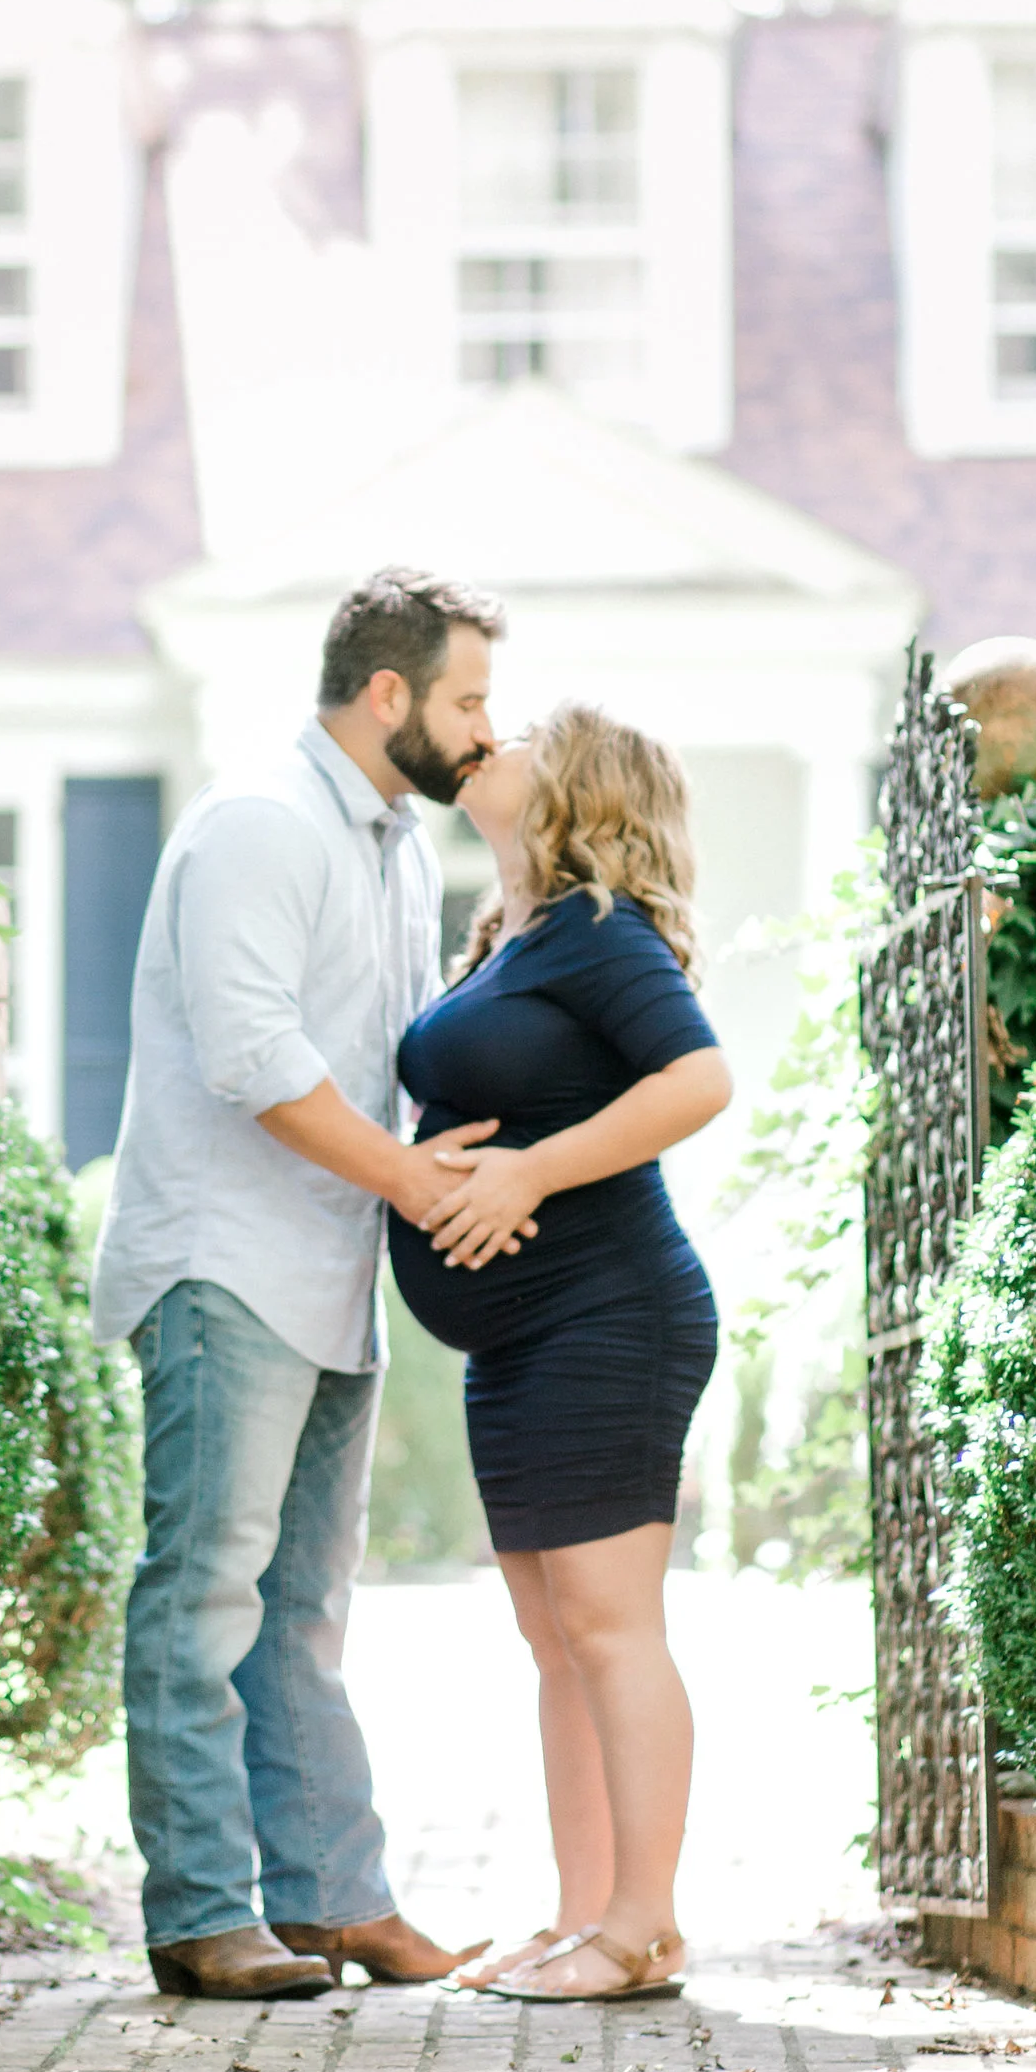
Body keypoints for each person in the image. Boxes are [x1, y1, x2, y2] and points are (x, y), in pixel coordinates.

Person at [91, 565, 508, 1999]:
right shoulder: (262, 821)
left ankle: (333, 1898)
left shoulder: (395, 843)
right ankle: (204, 1912)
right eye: (467, 698)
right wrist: (411, 1179)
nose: (482, 729)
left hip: (334, 1268)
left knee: (306, 1609)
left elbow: (384, 1047)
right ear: (387, 693)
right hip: (227, 1264)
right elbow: (252, 1051)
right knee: (204, 1595)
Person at [387, 705, 732, 2005]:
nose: (489, 738)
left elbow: (697, 1079)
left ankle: (645, 1927)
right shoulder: (513, 936)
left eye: (522, 729)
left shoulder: (600, 931)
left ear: (580, 785)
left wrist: (527, 1166)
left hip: (610, 1315)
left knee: (610, 1624)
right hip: (524, 1332)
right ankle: (585, 1912)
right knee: (553, 1637)